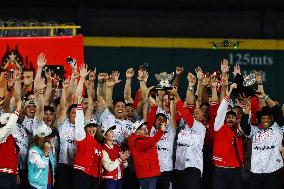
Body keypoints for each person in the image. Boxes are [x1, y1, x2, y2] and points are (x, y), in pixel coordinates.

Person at [240, 91, 284, 189]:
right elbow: (244, 126)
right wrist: (247, 109)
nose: (265, 120)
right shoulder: (255, 130)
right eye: (263, 118)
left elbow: (277, 111)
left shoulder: (278, 128)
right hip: (256, 172)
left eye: (268, 118)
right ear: (260, 119)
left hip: (273, 171)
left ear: (272, 119)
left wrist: (266, 97)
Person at [212, 83, 244, 189]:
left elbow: (246, 115)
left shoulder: (240, 129)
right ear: (225, 119)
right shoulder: (219, 127)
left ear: (237, 119)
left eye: (233, 117)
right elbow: (221, 110)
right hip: (220, 169)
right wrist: (229, 91)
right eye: (228, 117)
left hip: (236, 169)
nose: (230, 119)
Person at [73, 96, 103, 189]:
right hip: (82, 173)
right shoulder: (82, 137)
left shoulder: (99, 144)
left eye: (94, 126)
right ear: (85, 128)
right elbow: (79, 123)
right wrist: (79, 106)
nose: (92, 128)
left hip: (94, 177)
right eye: (89, 126)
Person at [128, 119, 166, 189]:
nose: (146, 130)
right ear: (136, 132)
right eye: (143, 129)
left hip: (149, 174)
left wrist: (154, 108)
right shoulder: (137, 142)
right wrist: (161, 131)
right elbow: (151, 142)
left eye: (146, 128)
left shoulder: (144, 138)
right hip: (147, 175)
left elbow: (150, 121)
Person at [101, 121, 130, 189]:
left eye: (112, 131)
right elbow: (109, 167)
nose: (113, 133)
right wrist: (120, 159)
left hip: (119, 178)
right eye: (110, 132)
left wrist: (125, 159)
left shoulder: (117, 146)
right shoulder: (103, 149)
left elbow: (124, 165)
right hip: (109, 180)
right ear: (105, 135)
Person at [0, 100, 21, 189]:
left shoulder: (11, 137)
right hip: (2, 175)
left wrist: (16, 172)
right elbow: (9, 126)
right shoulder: (1, 133)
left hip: (11, 174)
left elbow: (13, 156)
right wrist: (17, 110)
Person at [27, 122, 56, 189]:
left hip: (48, 182)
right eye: (49, 137)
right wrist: (46, 152)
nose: (51, 139)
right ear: (42, 138)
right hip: (37, 184)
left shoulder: (48, 147)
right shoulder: (33, 150)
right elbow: (42, 165)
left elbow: (51, 165)